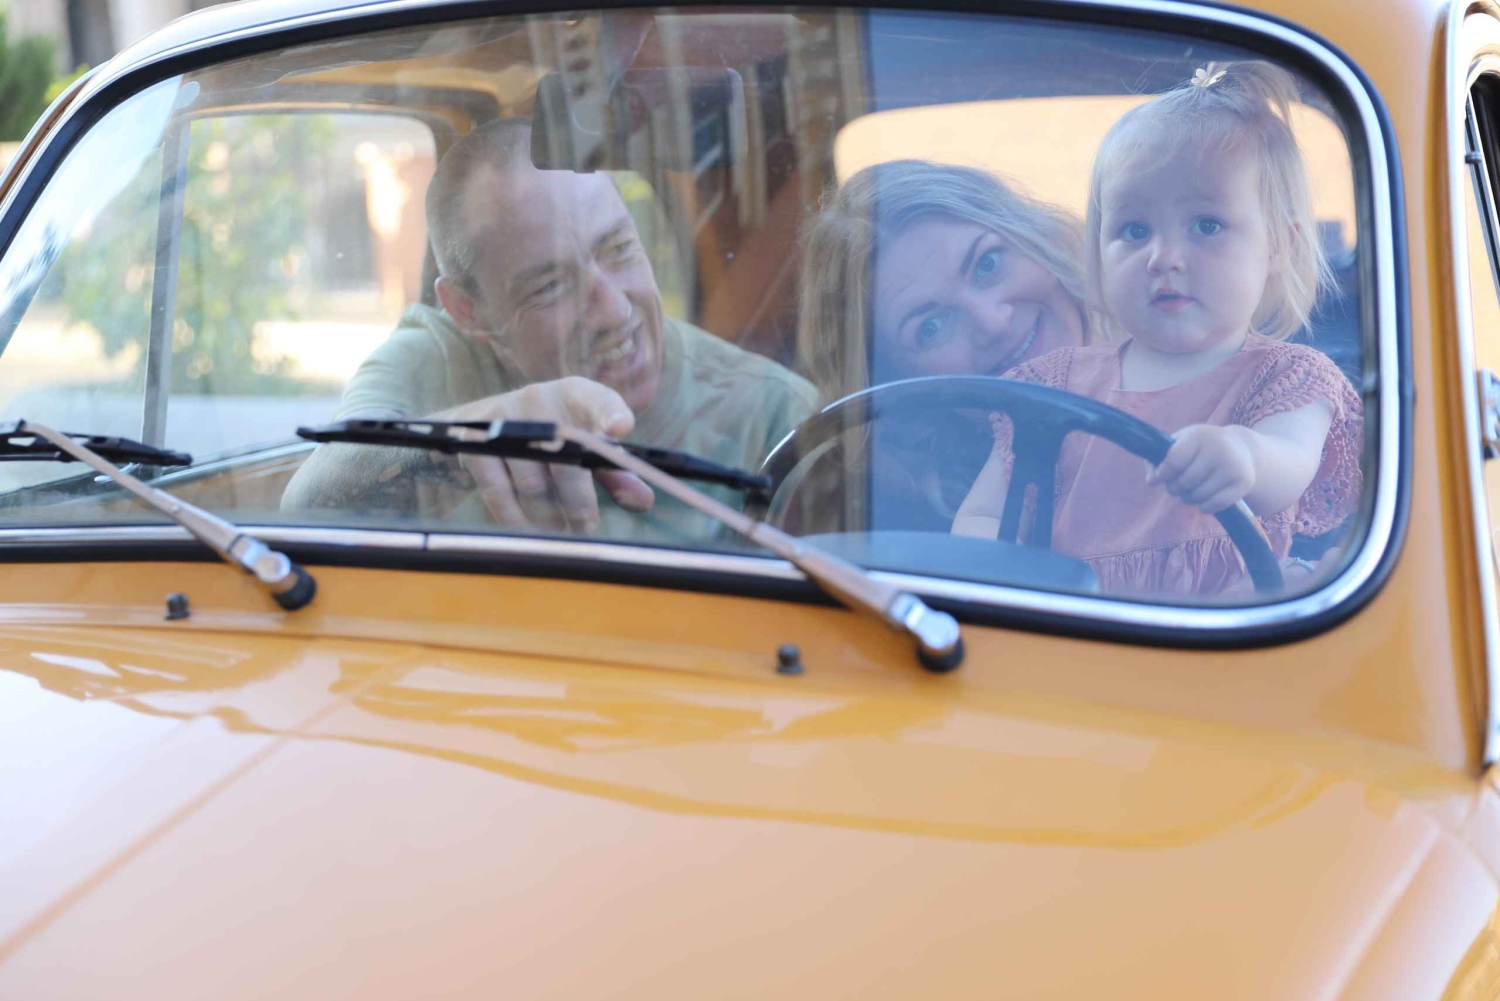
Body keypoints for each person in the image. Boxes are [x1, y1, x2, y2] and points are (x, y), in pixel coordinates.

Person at [282, 120, 816, 542]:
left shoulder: (774, 411)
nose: (614, 310)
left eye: (619, 249)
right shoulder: (434, 357)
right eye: (550, 286)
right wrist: (465, 440)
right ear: (468, 311)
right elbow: (310, 503)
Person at [952, 62, 1363, 598]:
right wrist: (993, 565)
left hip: (1219, 627)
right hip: (1066, 625)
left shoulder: (1286, 377)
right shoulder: (1053, 384)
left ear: (1279, 246)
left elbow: (1287, 467)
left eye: (1207, 225)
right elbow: (985, 514)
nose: (1163, 257)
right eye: (1134, 230)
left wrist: (1243, 455)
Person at [788, 160, 1089, 531]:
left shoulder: (1158, 330)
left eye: (987, 264)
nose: (993, 323)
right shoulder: (920, 535)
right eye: (930, 328)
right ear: (899, 382)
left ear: (1034, 237)